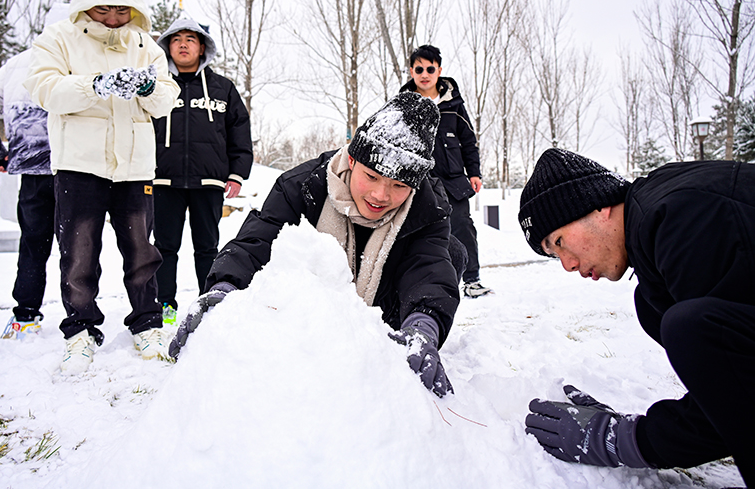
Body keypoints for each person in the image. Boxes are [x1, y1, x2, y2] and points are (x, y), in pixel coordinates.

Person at [168, 92, 465, 397]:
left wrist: (422, 328)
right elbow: (255, 242)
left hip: (383, 321)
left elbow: (428, 268)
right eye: (372, 177)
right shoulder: (302, 185)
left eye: (399, 185)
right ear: (352, 159)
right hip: (302, 319)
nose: (380, 195)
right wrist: (223, 291)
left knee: (452, 252)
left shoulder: (428, 208)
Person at [518, 148, 755, 487]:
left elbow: (742, 395)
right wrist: (631, 435)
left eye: (559, 242)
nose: (568, 264)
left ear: (596, 205)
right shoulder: (656, 219)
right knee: (655, 307)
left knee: (689, 328)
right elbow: (734, 400)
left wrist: (625, 439)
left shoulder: (681, 218)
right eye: (555, 256)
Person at [24, 0, 181, 374]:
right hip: (80, 166)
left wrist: (148, 87)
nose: (113, 19)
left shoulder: (146, 46)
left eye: (121, 10)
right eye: (103, 10)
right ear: (85, 6)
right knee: (78, 254)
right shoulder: (59, 38)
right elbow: (43, 87)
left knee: (142, 252)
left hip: (134, 168)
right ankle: (79, 331)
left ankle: (147, 323)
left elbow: (167, 97)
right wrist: (94, 86)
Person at [152, 17, 253, 323]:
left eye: (190, 39)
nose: (183, 44)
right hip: (162, 179)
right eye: (176, 39)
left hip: (209, 181)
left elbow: (240, 132)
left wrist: (236, 174)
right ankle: (164, 303)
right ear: (168, 46)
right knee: (164, 247)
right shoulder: (156, 86)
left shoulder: (223, 88)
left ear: (202, 48)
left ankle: (205, 300)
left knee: (206, 247)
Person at [0, 48, 53, 339]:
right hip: (76, 167)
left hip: (32, 169)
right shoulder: (77, 51)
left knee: (33, 244)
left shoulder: (18, 63)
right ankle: (81, 317)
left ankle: (26, 316)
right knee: (80, 247)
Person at [398, 45, 490, 298]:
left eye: (430, 68)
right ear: (411, 71)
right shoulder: (404, 105)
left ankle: (472, 280)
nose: (424, 74)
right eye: (419, 69)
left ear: (439, 70)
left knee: (462, 226)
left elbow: (468, 141)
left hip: (453, 180)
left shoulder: (454, 105)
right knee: (418, 230)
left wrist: (474, 173)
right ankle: (418, 281)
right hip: (419, 181)